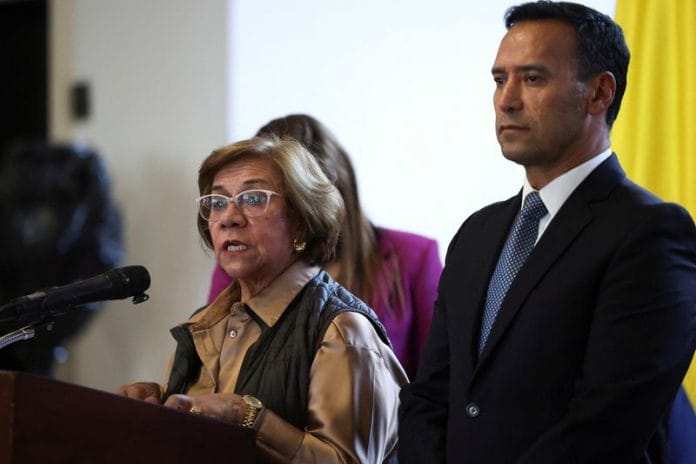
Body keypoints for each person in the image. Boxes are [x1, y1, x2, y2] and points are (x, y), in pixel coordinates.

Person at [398, 2, 696, 463]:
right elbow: (430, 396)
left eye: (533, 78)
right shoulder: (476, 233)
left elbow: (606, 426)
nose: (506, 100)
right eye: (500, 80)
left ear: (599, 93)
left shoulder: (651, 233)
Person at [118, 136, 407, 463]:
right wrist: (155, 408)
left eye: (253, 199)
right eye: (217, 202)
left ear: (301, 222)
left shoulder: (342, 331)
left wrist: (248, 417)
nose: (229, 217)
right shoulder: (202, 325)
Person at [207, 114, 443, 378]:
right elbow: (215, 369)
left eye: (255, 198)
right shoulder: (240, 261)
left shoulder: (415, 256)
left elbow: (440, 378)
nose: (231, 217)